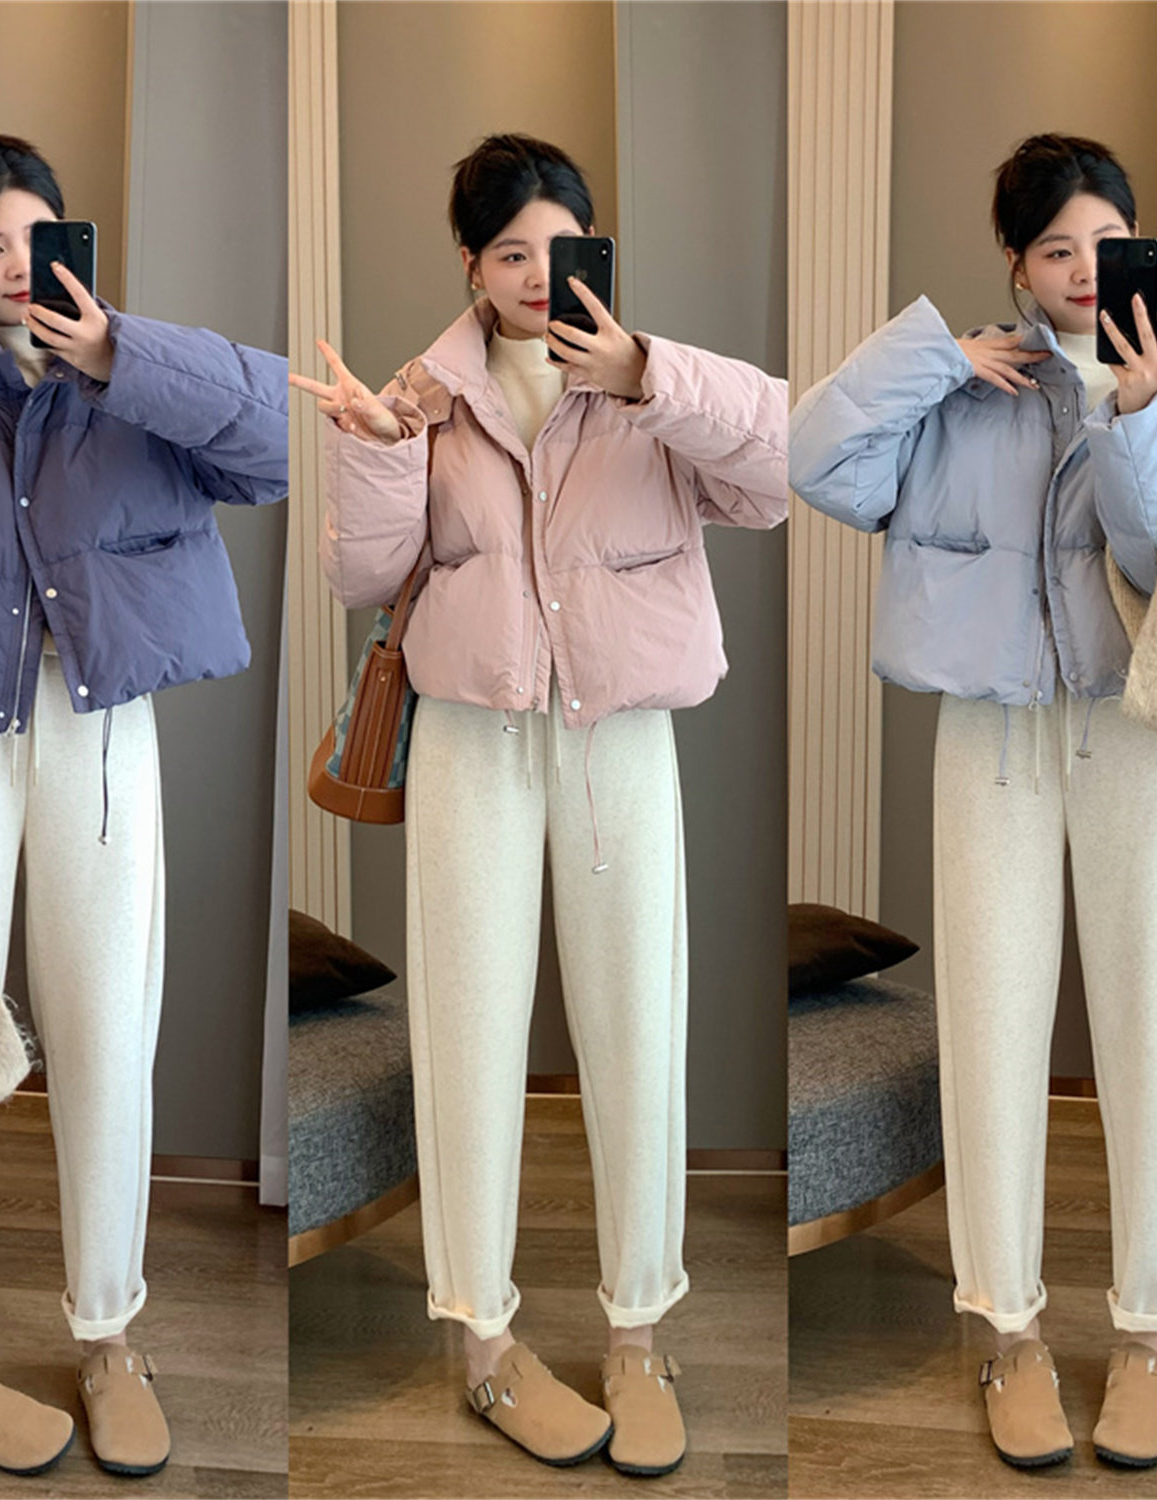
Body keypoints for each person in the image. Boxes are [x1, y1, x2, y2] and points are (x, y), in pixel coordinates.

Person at [290, 133, 787, 1477]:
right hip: (473, 736)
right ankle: (485, 1344)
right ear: (470, 262)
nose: (535, 274)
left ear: (594, 252)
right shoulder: (420, 394)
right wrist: (377, 453)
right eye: (510, 251)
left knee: (639, 1028)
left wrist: (648, 376)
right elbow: (362, 578)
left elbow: (779, 473)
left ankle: (639, 1331)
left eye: (560, 249)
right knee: (466, 1032)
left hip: (618, 740)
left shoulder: (645, 378)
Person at [789, 134, 1157, 1471]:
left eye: (1105, 244)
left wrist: (1142, 410)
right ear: (1015, 261)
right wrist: (933, 358)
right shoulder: (958, 390)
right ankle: (1007, 1331)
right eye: (1055, 247)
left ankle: (1151, 1332)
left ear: (1139, 247)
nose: (1081, 270)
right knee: (991, 1026)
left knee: (1155, 1028)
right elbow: (811, 459)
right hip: (992, 733)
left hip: (1139, 732)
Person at [0, 131, 288, 1478]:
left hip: (103, 734)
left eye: (40, 236)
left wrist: (120, 354)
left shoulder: (137, 376)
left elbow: (273, 447)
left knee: (108, 1031)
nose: (20, 268)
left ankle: (110, 1333)